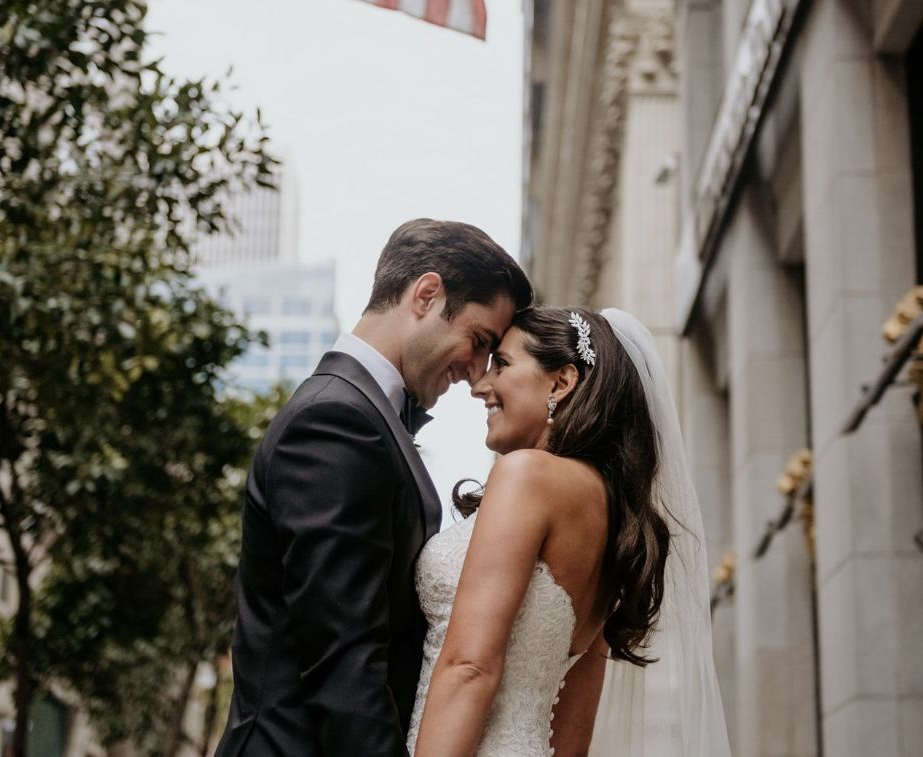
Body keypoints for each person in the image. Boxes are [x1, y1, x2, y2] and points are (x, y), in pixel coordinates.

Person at [214, 218, 532, 757]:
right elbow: (344, 659)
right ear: (426, 295)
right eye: (479, 342)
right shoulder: (337, 419)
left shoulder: (360, 414)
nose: (479, 373)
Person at [408, 305, 731, 757]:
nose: (481, 385)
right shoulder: (615, 520)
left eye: (501, 364)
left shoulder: (526, 475)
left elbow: (469, 666)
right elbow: (575, 720)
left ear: (561, 382)